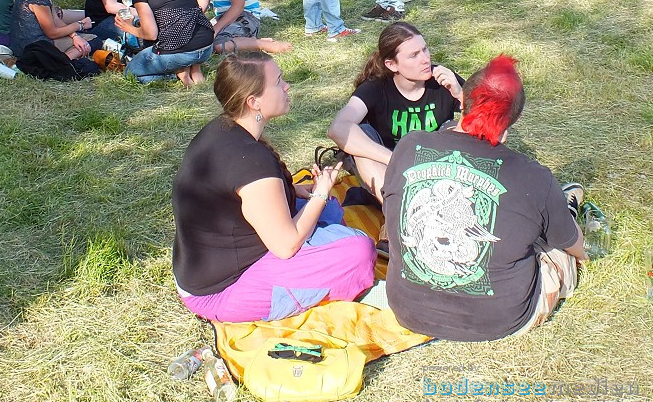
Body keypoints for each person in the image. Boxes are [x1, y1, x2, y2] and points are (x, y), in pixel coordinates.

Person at [382, 55, 586, 341]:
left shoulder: (410, 145)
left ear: (462, 101)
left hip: (407, 310)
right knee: (558, 249)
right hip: (500, 321)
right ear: (512, 120)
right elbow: (576, 248)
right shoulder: (533, 176)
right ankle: (565, 208)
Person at [171, 52, 376, 322]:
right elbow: (286, 246)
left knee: (328, 212)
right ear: (253, 101)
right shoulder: (252, 165)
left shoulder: (222, 128)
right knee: (359, 250)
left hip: (203, 269)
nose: (287, 86)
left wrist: (296, 192)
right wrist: (320, 192)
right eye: (279, 82)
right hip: (224, 291)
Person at [327, 22, 463, 199]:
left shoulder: (443, 80)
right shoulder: (376, 88)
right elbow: (337, 129)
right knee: (362, 133)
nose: (425, 59)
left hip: (437, 168)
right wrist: (395, 159)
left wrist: (460, 95)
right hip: (388, 173)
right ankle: (396, 210)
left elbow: (497, 129)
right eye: (414, 55)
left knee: (455, 127)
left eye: (425, 49)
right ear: (392, 65)